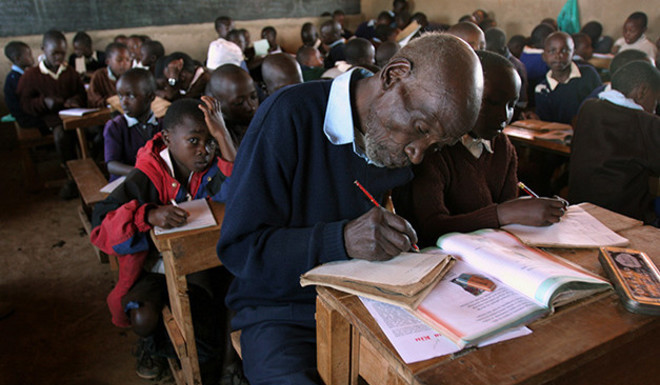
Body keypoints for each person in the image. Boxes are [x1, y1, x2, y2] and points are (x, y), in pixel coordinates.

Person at [216, 32, 483, 385]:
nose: (418, 153)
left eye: (436, 144)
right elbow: (240, 249)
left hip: (374, 306)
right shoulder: (289, 115)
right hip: (285, 312)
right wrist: (339, 240)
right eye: (419, 129)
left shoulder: (400, 142)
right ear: (393, 75)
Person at [91, 98, 236, 380]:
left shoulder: (212, 168)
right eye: (193, 140)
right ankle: (155, 347)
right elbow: (101, 224)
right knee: (144, 318)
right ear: (168, 138)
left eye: (211, 141)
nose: (204, 150)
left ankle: (219, 365)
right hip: (154, 267)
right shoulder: (147, 174)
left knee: (219, 310)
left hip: (204, 264)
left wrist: (224, 136)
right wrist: (148, 214)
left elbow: (239, 189)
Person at [395, 50, 565, 246]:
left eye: (511, 105)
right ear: (459, 95)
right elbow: (430, 229)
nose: (503, 116)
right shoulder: (432, 148)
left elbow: (508, 211)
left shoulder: (501, 146)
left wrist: (528, 210)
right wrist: (500, 214)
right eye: (491, 102)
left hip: (490, 253)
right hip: (441, 259)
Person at [569, 61, 660, 224]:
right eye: (655, 101)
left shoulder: (588, 108)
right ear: (643, 91)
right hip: (623, 219)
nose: (654, 108)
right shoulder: (646, 123)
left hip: (580, 209)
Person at [16, 29, 87, 198]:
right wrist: (43, 102)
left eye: (62, 53)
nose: (59, 58)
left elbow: (80, 93)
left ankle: (89, 173)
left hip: (72, 117)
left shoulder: (69, 72)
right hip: (48, 122)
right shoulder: (31, 76)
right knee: (61, 136)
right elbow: (24, 104)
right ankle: (71, 177)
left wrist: (75, 100)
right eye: (54, 53)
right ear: (43, 50)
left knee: (95, 131)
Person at [103, 68, 160, 181]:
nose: (124, 102)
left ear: (150, 97)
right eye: (120, 96)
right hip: (124, 183)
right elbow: (112, 165)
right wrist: (142, 173)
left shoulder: (162, 125)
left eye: (131, 96)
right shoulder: (115, 126)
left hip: (154, 181)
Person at [534, 31, 601, 124]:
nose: (558, 56)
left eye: (564, 51)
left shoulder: (588, 74)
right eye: (552, 51)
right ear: (544, 56)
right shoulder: (542, 89)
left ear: (573, 53)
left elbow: (601, 104)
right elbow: (546, 123)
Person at [205, 64, 259, 147]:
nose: (251, 106)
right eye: (239, 102)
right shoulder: (220, 139)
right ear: (216, 103)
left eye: (253, 97)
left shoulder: (265, 119)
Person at [485, 27, 528, 109]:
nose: (486, 52)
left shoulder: (515, 67)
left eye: (489, 49)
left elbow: (522, 102)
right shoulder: (489, 60)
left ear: (500, 48)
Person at [4, 41, 39, 129]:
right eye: (29, 55)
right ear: (18, 59)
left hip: (32, 114)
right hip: (27, 119)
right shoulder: (14, 79)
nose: (32, 58)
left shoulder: (24, 75)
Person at [87, 42, 132, 108]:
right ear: (108, 62)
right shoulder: (99, 76)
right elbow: (93, 100)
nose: (124, 63)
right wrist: (112, 101)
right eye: (119, 60)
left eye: (128, 60)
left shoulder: (132, 77)